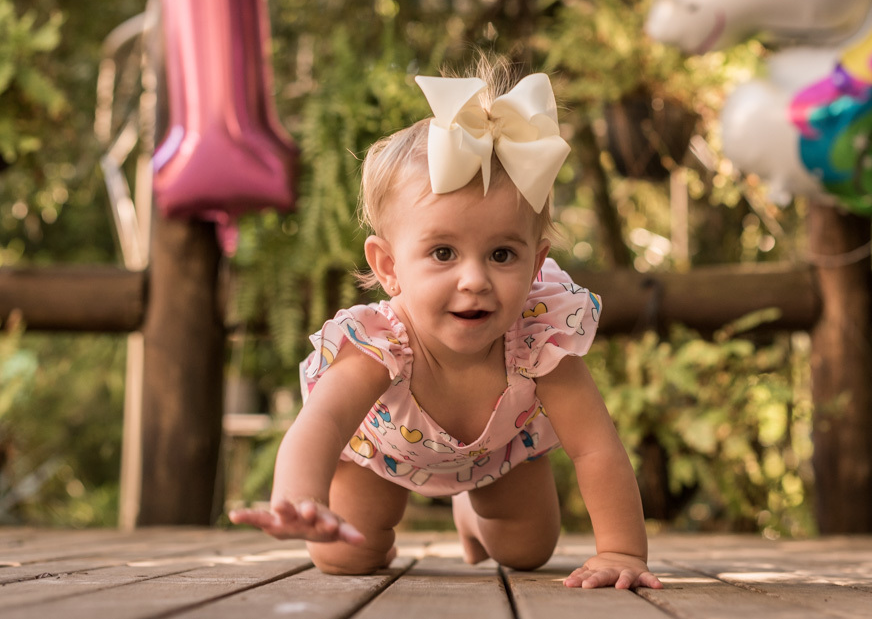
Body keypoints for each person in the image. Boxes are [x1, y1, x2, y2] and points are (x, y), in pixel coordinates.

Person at [231, 58, 662, 590]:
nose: (475, 279)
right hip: (382, 459)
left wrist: (620, 550)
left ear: (535, 264)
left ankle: (474, 517)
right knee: (344, 557)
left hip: (499, 456)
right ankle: (377, 532)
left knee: (526, 551)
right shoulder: (379, 346)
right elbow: (317, 426)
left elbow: (596, 447)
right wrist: (300, 499)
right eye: (442, 252)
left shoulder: (538, 343)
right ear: (388, 266)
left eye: (503, 254)